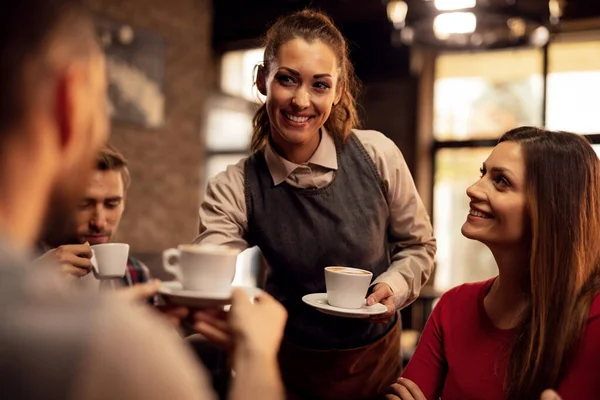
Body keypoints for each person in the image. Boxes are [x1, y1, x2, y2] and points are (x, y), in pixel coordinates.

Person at [0, 1, 287, 399]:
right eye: (102, 100)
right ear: (68, 100)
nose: (99, 219)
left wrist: (159, 338)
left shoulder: (137, 281)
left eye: (112, 203)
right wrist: (257, 355)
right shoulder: (110, 345)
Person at [194, 9, 436, 399]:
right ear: (262, 80)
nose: (301, 100)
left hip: (374, 367)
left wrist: (394, 286)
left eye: (320, 85)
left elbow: (419, 246)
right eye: (287, 79)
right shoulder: (234, 185)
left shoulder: (378, 155)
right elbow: (210, 268)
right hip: (289, 370)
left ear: (338, 91)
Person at [385, 127, 600, 400]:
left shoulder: (594, 319)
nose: (473, 189)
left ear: (550, 208)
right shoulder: (453, 307)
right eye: (483, 173)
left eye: (501, 181)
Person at [38, 144, 154, 289]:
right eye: (83, 204)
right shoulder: (15, 270)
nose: (99, 223)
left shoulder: (136, 274)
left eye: (112, 204)